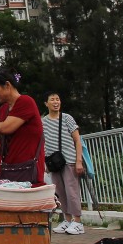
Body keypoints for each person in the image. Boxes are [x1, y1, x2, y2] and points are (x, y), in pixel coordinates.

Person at [0, 68, 44, 186]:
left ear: (7, 85)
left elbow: (4, 128)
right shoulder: (3, 109)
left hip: (26, 170)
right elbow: (1, 141)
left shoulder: (25, 101)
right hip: (7, 170)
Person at [42, 93, 85, 234]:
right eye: (52, 100)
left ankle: (78, 222)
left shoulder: (67, 118)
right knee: (60, 192)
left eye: (58, 99)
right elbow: (42, 143)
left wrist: (79, 161)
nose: (56, 102)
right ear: (46, 103)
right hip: (53, 163)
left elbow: (77, 140)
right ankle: (67, 220)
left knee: (72, 191)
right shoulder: (43, 122)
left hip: (69, 159)